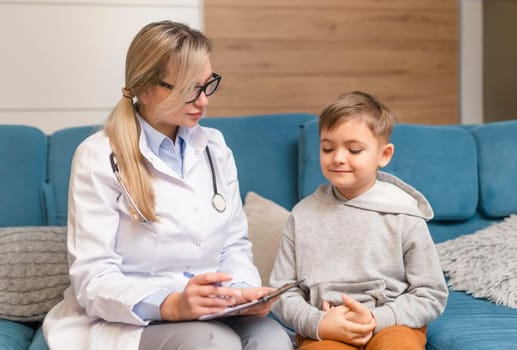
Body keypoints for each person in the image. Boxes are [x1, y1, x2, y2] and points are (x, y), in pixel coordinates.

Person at [43, 20, 293, 350]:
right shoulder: (98, 156)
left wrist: (243, 293)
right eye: (189, 88)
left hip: (212, 309)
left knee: (273, 339)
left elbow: (233, 245)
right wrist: (172, 304)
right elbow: (94, 277)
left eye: (207, 85)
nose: (203, 101)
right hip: (129, 318)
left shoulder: (215, 148)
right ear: (146, 88)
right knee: (212, 343)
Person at [270, 91, 448, 350]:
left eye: (354, 149)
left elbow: (431, 294)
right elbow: (282, 291)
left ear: (384, 155)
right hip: (326, 329)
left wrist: (377, 319)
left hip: (391, 324)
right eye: (327, 148)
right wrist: (318, 323)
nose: (338, 157)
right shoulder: (302, 215)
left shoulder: (404, 214)